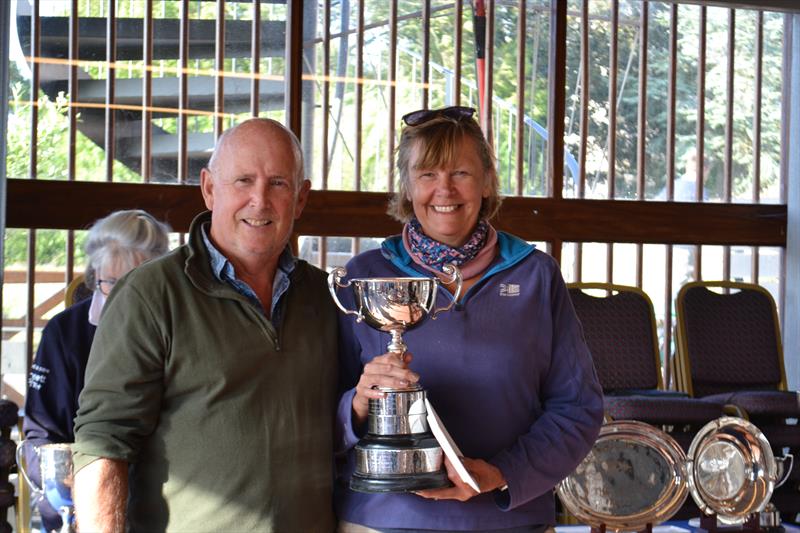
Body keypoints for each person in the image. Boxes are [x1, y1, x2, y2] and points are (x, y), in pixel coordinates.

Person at [335, 106, 604, 532]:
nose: (444, 190)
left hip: (509, 520)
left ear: (486, 182)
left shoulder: (535, 275)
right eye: (427, 174)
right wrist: (356, 404)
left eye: (460, 172)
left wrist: (502, 474)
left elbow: (578, 408)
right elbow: (307, 410)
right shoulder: (364, 277)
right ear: (407, 186)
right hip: (383, 522)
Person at [71, 118, 339, 532]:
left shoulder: (327, 296)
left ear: (301, 198)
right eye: (243, 181)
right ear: (209, 189)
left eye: (278, 184)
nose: (260, 200)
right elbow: (102, 444)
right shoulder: (150, 293)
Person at [22, 209, 170, 532]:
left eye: (137, 285)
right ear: (94, 277)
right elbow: (40, 438)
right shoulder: (64, 334)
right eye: (110, 284)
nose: (122, 299)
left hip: (163, 500)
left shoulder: (178, 330)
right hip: (77, 504)